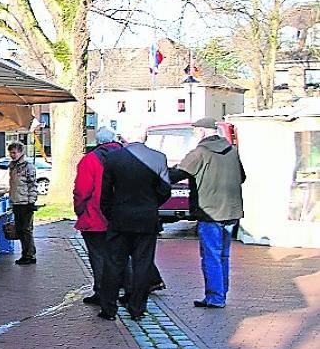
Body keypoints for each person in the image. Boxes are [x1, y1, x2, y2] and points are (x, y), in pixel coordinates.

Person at [169, 117, 245, 308]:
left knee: (211, 255)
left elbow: (176, 175)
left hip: (209, 212)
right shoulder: (231, 151)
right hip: (231, 210)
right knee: (223, 256)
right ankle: (221, 293)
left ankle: (215, 297)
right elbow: (242, 177)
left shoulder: (200, 153)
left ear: (202, 131)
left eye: (195, 132)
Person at [99, 126, 171, 320]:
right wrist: (151, 205)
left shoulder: (114, 158)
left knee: (113, 263)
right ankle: (137, 309)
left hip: (120, 217)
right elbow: (165, 190)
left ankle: (108, 308)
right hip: (146, 218)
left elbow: (105, 192)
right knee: (143, 264)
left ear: (126, 137)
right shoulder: (158, 158)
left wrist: (110, 213)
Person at [73, 127, 123, 305]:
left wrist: (80, 210)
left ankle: (102, 291)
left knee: (98, 255)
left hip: (94, 216)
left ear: (97, 141)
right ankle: (125, 290)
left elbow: (82, 190)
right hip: (120, 216)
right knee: (121, 254)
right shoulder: (126, 156)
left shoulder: (90, 160)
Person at [8, 142, 39, 265]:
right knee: (20, 230)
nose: (12, 155)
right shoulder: (13, 166)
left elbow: (32, 185)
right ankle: (25, 253)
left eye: (14, 152)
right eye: (11, 152)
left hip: (25, 203)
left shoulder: (27, 166)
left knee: (26, 230)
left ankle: (30, 255)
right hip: (17, 202)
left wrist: (31, 202)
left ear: (21, 152)